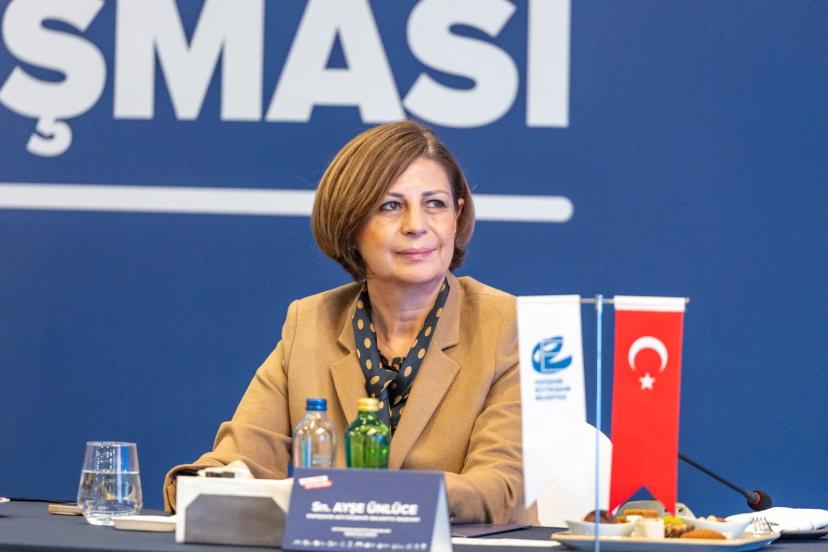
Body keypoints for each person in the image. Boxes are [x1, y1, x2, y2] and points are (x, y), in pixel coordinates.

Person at [163, 120, 534, 524]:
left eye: (435, 204)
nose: (416, 225)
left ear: (457, 215)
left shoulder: (508, 325)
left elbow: (498, 488)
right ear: (351, 224)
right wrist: (209, 484)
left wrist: (370, 497)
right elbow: (240, 456)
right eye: (390, 206)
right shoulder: (309, 323)